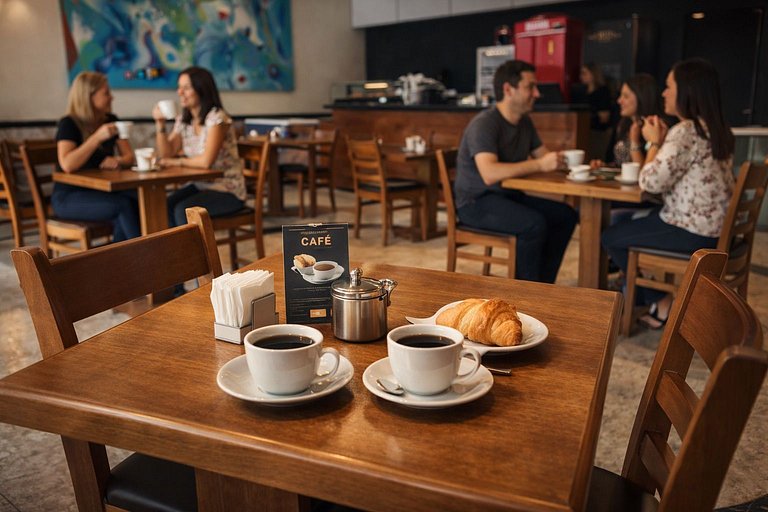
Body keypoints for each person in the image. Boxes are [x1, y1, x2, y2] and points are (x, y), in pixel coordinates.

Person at [601, 58, 735, 328]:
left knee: (611, 236)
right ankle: (641, 294)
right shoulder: (717, 129)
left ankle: (659, 301)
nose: (664, 92)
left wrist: (652, 142)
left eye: (669, 86)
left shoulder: (685, 131)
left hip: (693, 231)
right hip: (715, 229)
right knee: (625, 222)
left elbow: (649, 182)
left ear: (686, 91)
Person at [455, 60, 578, 283]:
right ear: (508, 89)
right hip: (475, 202)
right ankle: (526, 293)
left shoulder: (524, 122)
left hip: (507, 196)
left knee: (566, 216)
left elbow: (544, 156)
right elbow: (489, 173)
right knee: (534, 224)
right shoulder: (484, 124)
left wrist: (574, 166)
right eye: (530, 87)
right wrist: (541, 165)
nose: (537, 93)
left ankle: (544, 286)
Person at [153, 66, 246, 227]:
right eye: (179, 87)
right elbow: (167, 153)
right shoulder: (184, 120)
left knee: (183, 210)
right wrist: (159, 123)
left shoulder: (217, 118)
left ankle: (192, 253)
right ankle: (175, 252)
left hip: (228, 189)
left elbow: (206, 162)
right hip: (200, 185)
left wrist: (176, 162)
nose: (179, 92)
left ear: (201, 89)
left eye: (186, 88)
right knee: (164, 206)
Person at [55, 71, 141, 242]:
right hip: (69, 197)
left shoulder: (111, 120)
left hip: (103, 191)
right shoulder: (69, 124)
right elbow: (67, 164)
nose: (112, 97)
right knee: (124, 206)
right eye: (106, 93)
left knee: (136, 197)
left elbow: (129, 157)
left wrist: (117, 161)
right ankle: (147, 256)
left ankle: (123, 260)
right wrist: (96, 138)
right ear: (88, 96)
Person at [590, 73, 661, 168]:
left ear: (642, 98)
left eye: (626, 96)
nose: (619, 101)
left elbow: (645, 173)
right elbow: (615, 162)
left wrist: (634, 141)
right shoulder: (623, 124)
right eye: (620, 95)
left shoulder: (654, 127)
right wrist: (604, 166)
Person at [579, 63, 613, 161]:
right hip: (584, 131)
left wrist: (591, 116)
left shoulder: (602, 91)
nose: (581, 76)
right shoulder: (581, 91)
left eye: (584, 73)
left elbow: (604, 117)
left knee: (596, 157)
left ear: (593, 74)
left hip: (598, 132)